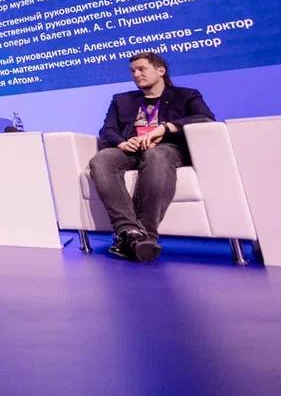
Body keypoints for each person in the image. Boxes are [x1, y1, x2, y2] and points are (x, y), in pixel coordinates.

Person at [89, 52, 215, 261]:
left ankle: (146, 234)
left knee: (156, 155)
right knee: (101, 159)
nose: (136, 74)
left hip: (167, 148)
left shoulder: (186, 95)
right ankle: (129, 231)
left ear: (160, 70)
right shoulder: (121, 100)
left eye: (141, 69)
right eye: (132, 71)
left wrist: (166, 128)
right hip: (130, 150)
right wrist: (122, 143)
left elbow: (205, 118)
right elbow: (107, 130)